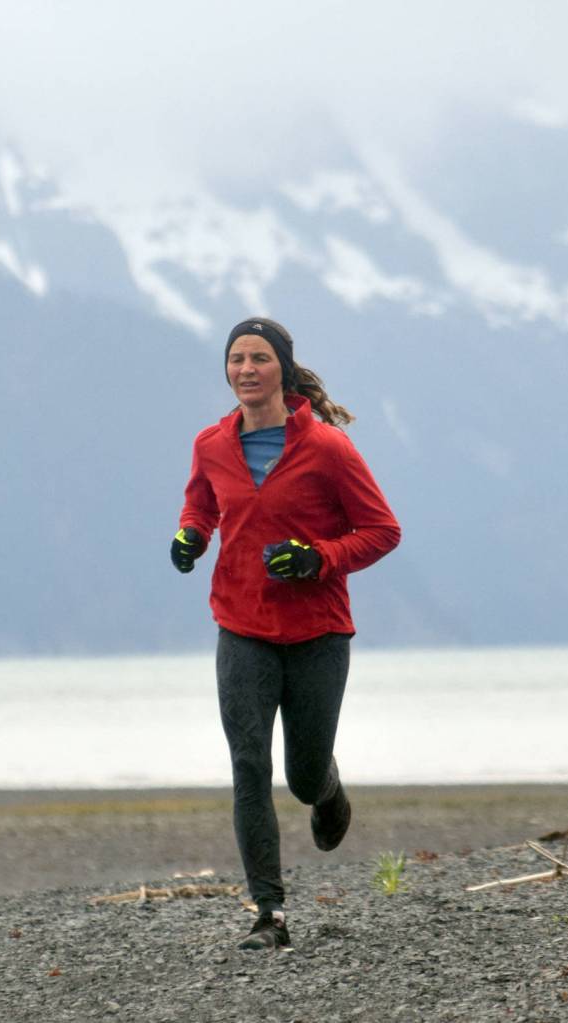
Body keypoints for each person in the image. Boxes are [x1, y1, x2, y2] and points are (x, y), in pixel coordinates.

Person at [170, 317, 400, 951]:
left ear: (284, 369)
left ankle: (328, 791)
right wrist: (192, 536)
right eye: (237, 358)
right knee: (249, 766)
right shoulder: (211, 444)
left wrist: (317, 558)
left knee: (300, 774)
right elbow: (201, 505)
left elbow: (382, 531)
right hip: (241, 625)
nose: (246, 369)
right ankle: (268, 914)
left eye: (260, 358)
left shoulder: (329, 448)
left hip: (318, 631)